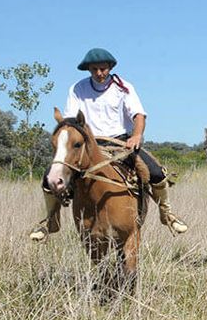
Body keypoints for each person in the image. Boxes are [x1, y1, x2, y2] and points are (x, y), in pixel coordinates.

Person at [29, 48, 188, 242]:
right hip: (87, 144)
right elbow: (71, 120)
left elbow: (138, 115)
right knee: (50, 177)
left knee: (155, 173)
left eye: (103, 69)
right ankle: (50, 220)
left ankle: (167, 214)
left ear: (110, 67)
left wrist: (136, 136)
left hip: (120, 143)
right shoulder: (77, 89)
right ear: (88, 69)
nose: (99, 73)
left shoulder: (124, 88)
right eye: (95, 69)